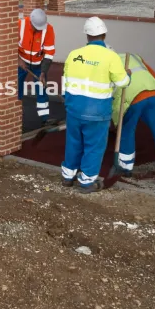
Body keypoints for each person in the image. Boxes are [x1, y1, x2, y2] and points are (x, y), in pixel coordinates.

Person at [61, 17, 129, 192]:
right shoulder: (111, 56)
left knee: (73, 142)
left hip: (74, 108)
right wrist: (127, 75)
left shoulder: (74, 54)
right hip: (97, 112)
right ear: (104, 34)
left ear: (86, 35)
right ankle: (86, 181)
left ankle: (68, 176)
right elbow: (122, 82)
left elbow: (65, 81)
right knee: (94, 146)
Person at [111, 53, 155, 182]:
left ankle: (125, 167)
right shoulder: (132, 56)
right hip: (154, 92)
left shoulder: (107, 63)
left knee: (127, 131)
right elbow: (154, 76)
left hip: (132, 97)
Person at [17, 8, 56, 125]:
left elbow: (49, 54)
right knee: (15, 87)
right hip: (21, 62)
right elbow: (9, 44)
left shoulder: (48, 29)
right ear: (31, 22)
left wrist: (43, 72)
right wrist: (19, 60)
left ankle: (45, 118)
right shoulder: (20, 25)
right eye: (36, 28)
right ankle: (16, 114)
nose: (38, 30)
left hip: (39, 65)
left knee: (41, 87)